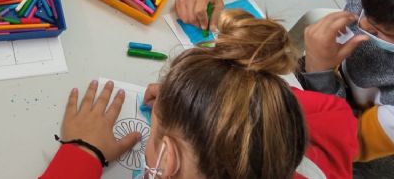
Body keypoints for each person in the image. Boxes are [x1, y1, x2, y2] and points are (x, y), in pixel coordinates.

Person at [40, 10, 358, 178]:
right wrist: (201, 99)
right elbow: (334, 113)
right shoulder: (327, 125)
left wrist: (83, 152)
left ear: (166, 162)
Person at [176, 0, 394, 163]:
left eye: (381, 30)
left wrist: (320, 72)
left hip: (327, 147)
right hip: (312, 83)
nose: (362, 23)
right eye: (364, 10)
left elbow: (345, 145)